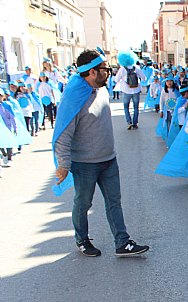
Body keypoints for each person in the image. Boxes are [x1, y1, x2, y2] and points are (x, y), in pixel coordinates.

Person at [53, 48, 149, 257]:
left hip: (108, 159)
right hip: (85, 163)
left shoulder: (103, 90)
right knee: (83, 202)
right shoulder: (74, 97)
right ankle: (82, 239)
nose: (109, 72)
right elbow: (63, 133)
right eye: (105, 69)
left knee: (114, 201)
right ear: (92, 72)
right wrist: (63, 164)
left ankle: (122, 242)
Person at [115, 51, 146, 130]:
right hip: (136, 90)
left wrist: (122, 80)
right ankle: (135, 123)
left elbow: (116, 79)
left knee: (126, 107)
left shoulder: (122, 69)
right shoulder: (136, 68)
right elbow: (144, 78)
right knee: (136, 107)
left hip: (126, 91)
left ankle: (129, 122)